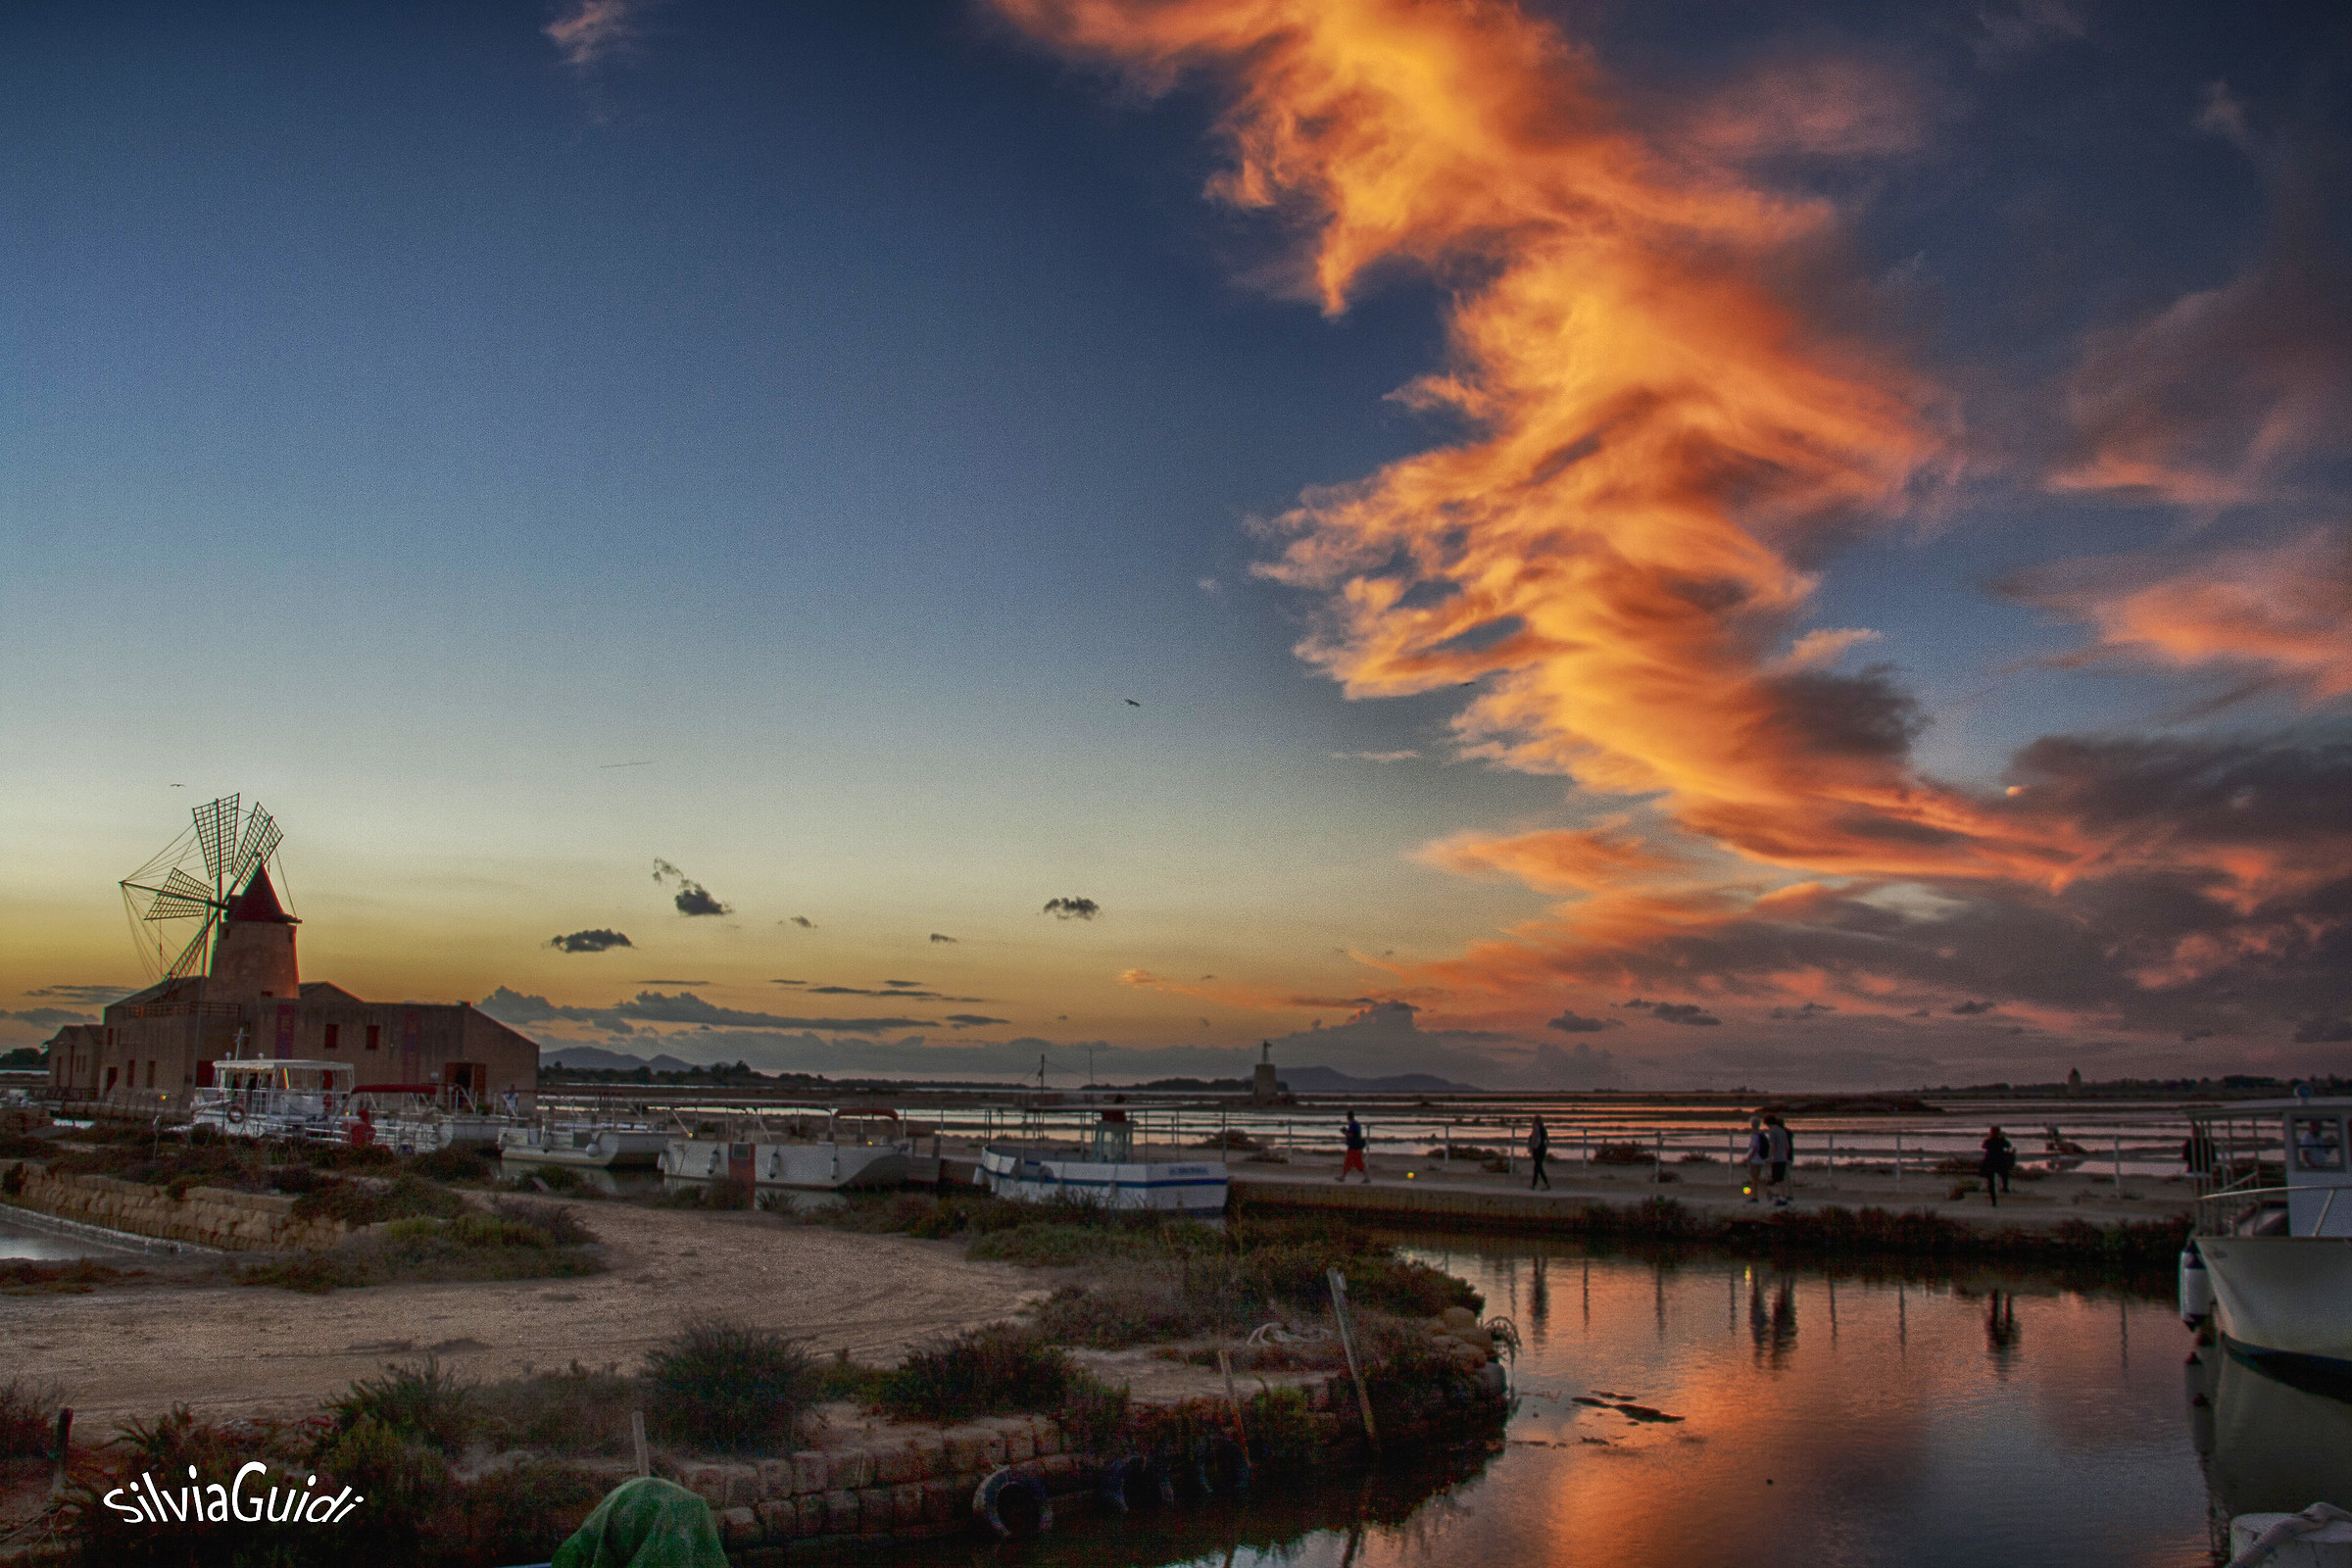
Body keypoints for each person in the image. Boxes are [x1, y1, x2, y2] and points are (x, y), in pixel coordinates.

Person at [1981, 1126, 2016, 1206]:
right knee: (2003, 1175)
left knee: (1992, 1181)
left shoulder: (1989, 1140)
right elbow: (2008, 1145)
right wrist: (2002, 1139)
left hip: (1991, 1161)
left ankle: (1994, 1200)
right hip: (1998, 1161)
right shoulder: (1999, 1140)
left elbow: (1984, 1146)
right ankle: (2004, 1189)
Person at [1765, 1113, 1793, 1207]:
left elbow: (1772, 1145)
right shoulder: (1782, 1131)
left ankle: (1782, 1198)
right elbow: (1787, 1146)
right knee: (1781, 1179)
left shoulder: (1773, 1132)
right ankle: (1782, 1196)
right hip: (1783, 1157)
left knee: (1778, 1180)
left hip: (1777, 1158)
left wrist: (1770, 1157)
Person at [1742, 1116, 1769, 1203]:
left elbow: (1754, 1148)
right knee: (1757, 1177)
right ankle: (1765, 1192)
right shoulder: (1761, 1134)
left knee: (1754, 1178)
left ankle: (1755, 1196)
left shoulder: (1755, 1135)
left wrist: (1749, 1158)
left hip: (1755, 1159)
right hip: (1760, 1158)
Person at [1339, 1111, 1369, 1183]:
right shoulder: (1356, 1124)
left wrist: (1344, 1132)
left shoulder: (1353, 1125)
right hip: (1357, 1146)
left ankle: (1342, 1177)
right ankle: (1366, 1177)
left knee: (1349, 1162)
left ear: (1348, 1117)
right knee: (1358, 1163)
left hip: (1354, 1147)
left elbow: (1351, 1135)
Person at [1528, 1115, 1551, 1190]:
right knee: (1538, 1167)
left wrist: (1531, 1148)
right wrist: (1545, 1148)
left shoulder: (1535, 1128)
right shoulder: (1543, 1128)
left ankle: (1534, 1184)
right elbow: (1547, 1140)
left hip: (1537, 1148)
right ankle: (1544, 1183)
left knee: (1537, 1167)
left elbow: (1534, 1138)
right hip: (1542, 1148)